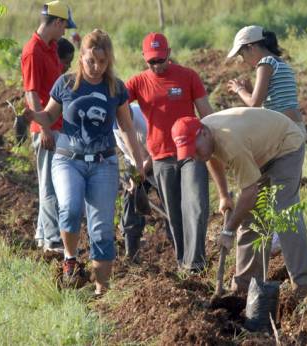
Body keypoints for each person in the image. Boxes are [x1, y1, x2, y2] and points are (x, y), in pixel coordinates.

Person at [22, 29, 144, 296]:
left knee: (101, 229)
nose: (96, 67)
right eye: (91, 61)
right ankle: (70, 257)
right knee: (70, 208)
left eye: (102, 62)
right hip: (68, 159)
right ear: (82, 58)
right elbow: (49, 115)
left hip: (104, 163)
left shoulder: (115, 87)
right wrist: (33, 115)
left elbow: (126, 127)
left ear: (108, 60)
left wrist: (138, 160)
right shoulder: (65, 84)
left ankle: (102, 291)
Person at [171, 107, 307, 298]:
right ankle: (245, 289)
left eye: (195, 150)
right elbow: (211, 158)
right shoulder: (207, 135)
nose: (195, 156)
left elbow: (249, 191)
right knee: (251, 219)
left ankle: (304, 283)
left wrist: (228, 230)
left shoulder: (231, 142)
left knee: (284, 213)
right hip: (259, 154)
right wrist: (224, 196)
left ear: (204, 133)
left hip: (285, 145)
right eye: (190, 153)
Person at [126, 32, 214, 272]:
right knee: (174, 213)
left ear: (169, 53)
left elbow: (207, 113)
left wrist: (217, 145)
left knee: (195, 205)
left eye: (161, 60)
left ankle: (196, 264)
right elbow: (117, 104)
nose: (157, 65)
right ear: (144, 58)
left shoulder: (188, 76)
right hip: (161, 158)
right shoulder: (137, 83)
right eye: (152, 61)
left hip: (191, 152)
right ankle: (183, 262)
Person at [227, 25, 306, 254]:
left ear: (252, 47)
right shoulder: (281, 63)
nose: (243, 60)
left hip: (283, 135)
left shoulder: (265, 64)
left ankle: (277, 238)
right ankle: (277, 235)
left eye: (242, 54)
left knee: (269, 188)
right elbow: (267, 101)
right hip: (294, 129)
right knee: (282, 189)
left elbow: (253, 104)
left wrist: (240, 90)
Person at [21, 0, 76, 253]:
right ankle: (53, 240)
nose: (64, 32)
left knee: (53, 181)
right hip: (46, 128)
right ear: (56, 22)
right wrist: (43, 128)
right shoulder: (33, 51)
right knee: (51, 183)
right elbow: (31, 92)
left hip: (57, 124)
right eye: (64, 27)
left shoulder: (51, 47)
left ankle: (43, 234)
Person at [113, 103, 171, 262]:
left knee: (170, 204)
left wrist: (139, 173)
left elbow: (156, 152)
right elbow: (123, 153)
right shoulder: (112, 122)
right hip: (136, 164)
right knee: (130, 202)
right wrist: (131, 178)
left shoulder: (144, 121)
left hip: (160, 159)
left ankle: (181, 250)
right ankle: (132, 255)